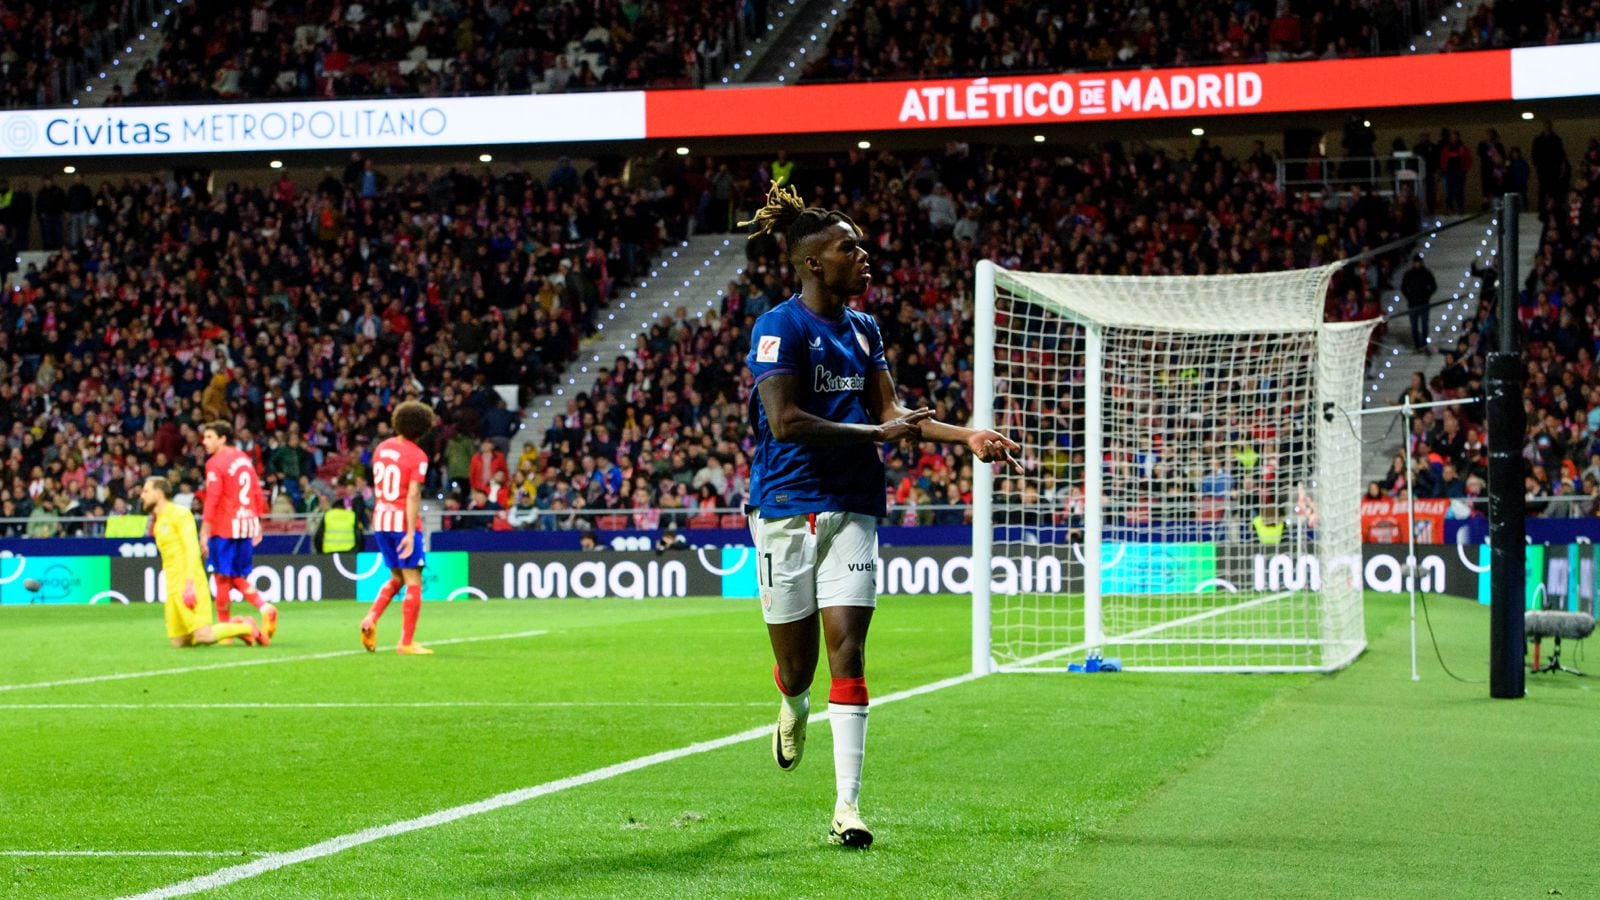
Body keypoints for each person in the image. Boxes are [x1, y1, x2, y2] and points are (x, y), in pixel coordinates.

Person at [738, 184, 1022, 849]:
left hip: (856, 507)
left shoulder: (865, 330)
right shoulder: (779, 327)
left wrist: (967, 436)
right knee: (798, 666)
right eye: (849, 248)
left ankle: (848, 808)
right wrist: (871, 434)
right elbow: (783, 422)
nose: (863, 257)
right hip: (783, 506)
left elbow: (893, 416)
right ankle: (792, 702)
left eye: (861, 247)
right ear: (813, 262)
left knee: (850, 648)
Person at [142, 477, 265, 648]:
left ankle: (246, 628)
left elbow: (192, 549)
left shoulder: (180, 514)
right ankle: (234, 625)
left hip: (189, 583)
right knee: (179, 642)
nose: (142, 496)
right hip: (172, 587)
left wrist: (190, 583)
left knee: (203, 635)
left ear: (158, 493)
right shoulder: (159, 522)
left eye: (146, 491)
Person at [361, 400, 437, 655]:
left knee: (396, 577)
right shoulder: (418, 456)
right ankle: (406, 642)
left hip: (381, 518)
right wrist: (410, 532)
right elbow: (413, 494)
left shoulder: (381, 448)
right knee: (413, 578)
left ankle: (371, 618)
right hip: (401, 522)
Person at [201, 421, 277, 639]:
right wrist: (257, 520)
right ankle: (263, 607)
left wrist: (205, 529)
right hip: (246, 524)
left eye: (209, 437)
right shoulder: (244, 458)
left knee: (222, 576)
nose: (205, 442)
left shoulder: (215, 462)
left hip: (224, 525)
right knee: (234, 575)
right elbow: (256, 490)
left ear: (222, 438)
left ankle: (225, 631)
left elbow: (213, 496)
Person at [1400, 255, 1437, 352]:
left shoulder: (1426, 273)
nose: (1417, 264)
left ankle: (1424, 344)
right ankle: (1417, 345)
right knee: (1414, 326)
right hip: (1413, 304)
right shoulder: (1409, 274)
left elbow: (1434, 286)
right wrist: (1409, 297)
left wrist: (1427, 295)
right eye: (1416, 262)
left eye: (1418, 262)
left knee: (1424, 325)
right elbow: (1403, 287)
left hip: (1424, 303)